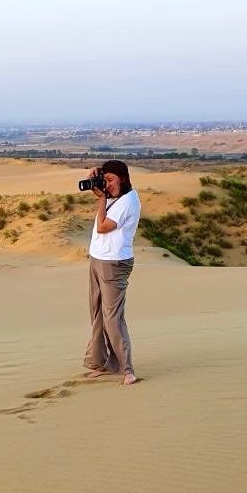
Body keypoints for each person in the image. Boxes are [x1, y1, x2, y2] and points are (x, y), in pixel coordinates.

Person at [83, 160, 141, 384]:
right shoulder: (114, 197)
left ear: (124, 179)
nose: (107, 185)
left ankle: (127, 370)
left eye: (110, 180)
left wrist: (101, 198)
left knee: (112, 318)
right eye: (104, 181)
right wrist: (95, 180)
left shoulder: (128, 201)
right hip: (98, 259)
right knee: (97, 314)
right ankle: (101, 363)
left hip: (114, 263)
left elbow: (103, 226)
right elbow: (104, 208)